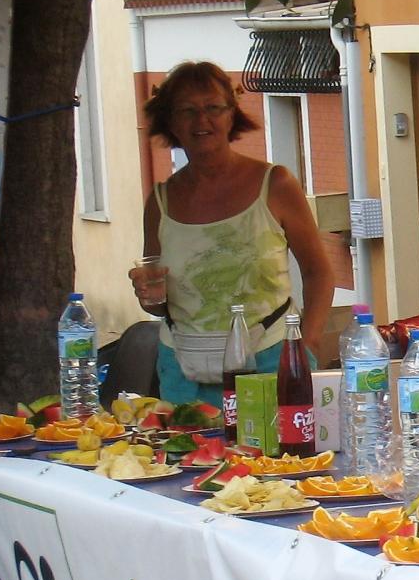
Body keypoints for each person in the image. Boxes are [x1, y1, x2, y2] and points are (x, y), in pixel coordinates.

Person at [129, 61, 332, 405]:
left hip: (270, 358)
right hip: (184, 372)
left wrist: (306, 344)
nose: (202, 121)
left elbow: (319, 272)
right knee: (190, 460)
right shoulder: (160, 202)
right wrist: (148, 293)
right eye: (187, 111)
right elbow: (161, 305)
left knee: (277, 458)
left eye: (213, 108)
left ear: (232, 114)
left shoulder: (276, 185)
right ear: (171, 121)